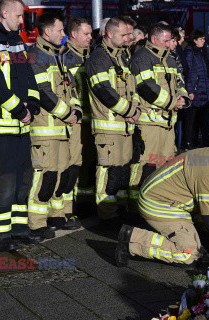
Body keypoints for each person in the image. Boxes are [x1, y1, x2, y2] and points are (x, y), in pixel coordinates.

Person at [115, 139, 209, 267]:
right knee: (189, 255)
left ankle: (207, 242)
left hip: (174, 201)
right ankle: (131, 239)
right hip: (159, 204)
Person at [0, 0, 42, 251]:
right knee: (3, 182)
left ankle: (19, 229)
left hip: (22, 128)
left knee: (24, 180)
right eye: (18, 15)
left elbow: (28, 76)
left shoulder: (16, 40)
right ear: (4, 13)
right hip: (0, 128)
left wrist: (32, 107)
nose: (21, 20)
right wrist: (18, 109)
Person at [28, 12, 81, 238]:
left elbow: (72, 89)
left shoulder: (58, 56)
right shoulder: (35, 56)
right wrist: (68, 114)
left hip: (62, 129)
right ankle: (37, 223)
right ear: (47, 32)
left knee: (60, 175)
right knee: (44, 177)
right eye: (60, 30)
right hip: (45, 130)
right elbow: (43, 93)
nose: (64, 35)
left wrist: (76, 109)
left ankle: (56, 215)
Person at [85, 17, 141, 222]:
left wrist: (134, 109)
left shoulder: (121, 57)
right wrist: (129, 111)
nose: (129, 38)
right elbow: (103, 91)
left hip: (124, 127)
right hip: (108, 127)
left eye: (129, 34)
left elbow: (131, 87)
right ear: (109, 34)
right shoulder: (99, 57)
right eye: (124, 34)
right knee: (109, 173)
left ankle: (119, 209)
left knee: (122, 172)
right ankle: (106, 215)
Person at [128, 23, 190, 205]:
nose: (169, 44)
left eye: (170, 40)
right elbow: (147, 87)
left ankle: (156, 201)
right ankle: (133, 204)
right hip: (149, 124)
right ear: (153, 39)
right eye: (166, 40)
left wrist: (183, 98)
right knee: (143, 165)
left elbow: (180, 82)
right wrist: (172, 102)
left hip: (167, 123)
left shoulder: (170, 59)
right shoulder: (142, 58)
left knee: (164, 165)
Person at [64, 17, 95, 215]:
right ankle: (69, 206)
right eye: (86, 34)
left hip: (90, 120)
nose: (91, 37)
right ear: (73, 34)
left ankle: (84, 202)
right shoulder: (65, 57)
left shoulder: (89, 56)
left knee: (88, 162)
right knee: (73, 163)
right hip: (75, 121)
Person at [182, 30, 209, 149]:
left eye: (204, 39)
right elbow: (188, 73)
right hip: (195, 90)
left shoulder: (199, 52)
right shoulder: (190, 52)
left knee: (198, 118)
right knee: (191, 119)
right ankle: (188, 142)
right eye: (201, 39)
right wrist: (190, 91)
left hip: (201, 89)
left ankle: (193, 140)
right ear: (194, 40)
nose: (203, 41)